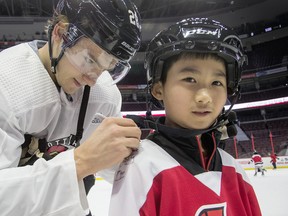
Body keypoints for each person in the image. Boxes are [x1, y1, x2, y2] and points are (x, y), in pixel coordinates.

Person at [0, 0, 141, 215]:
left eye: (106, 68)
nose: (92, 79)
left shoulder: (105, 94)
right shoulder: (6, 83)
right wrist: (79, 162)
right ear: (60, 33)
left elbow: (117, 170)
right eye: (88, 59)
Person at [109, 18, 262, 216]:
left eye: (216, 82)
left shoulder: (234, 169)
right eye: (189, 79)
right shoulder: (141, 166)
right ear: (158, 89)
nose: (204, 97)